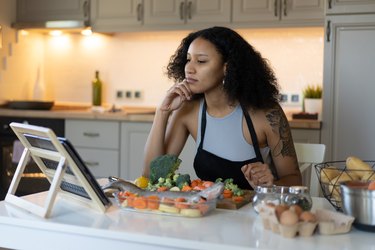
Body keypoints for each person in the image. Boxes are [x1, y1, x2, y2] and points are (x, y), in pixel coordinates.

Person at [142, 26, 302, 190]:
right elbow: (152, 177)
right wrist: (161, 112)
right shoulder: (187, 111)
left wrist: (270, 185)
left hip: (256, 212)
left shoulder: (267, 113)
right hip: (207, 212)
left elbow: (295, 180)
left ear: (227, 67)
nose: (189, 68)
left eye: (201, 61)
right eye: (188, 59)